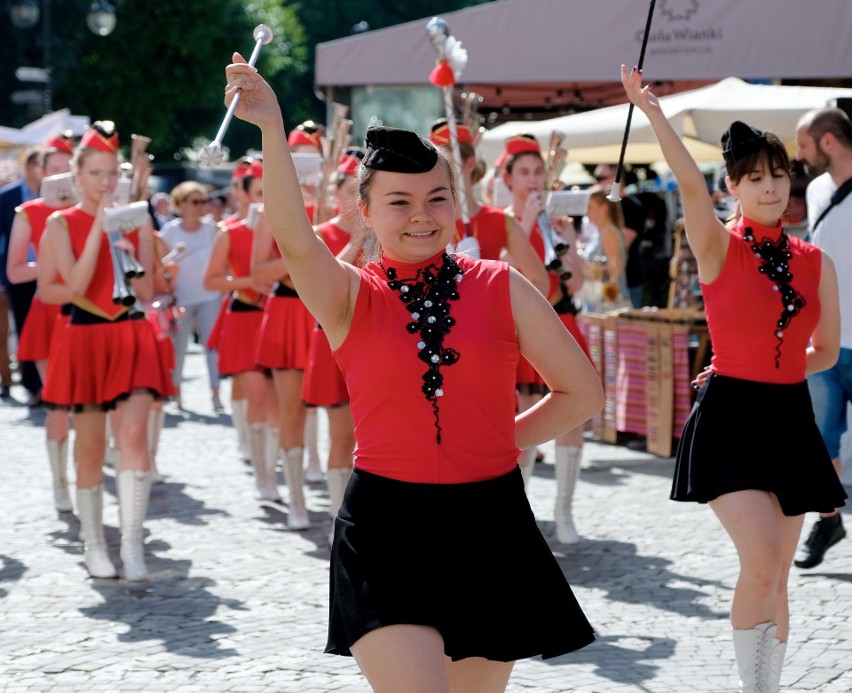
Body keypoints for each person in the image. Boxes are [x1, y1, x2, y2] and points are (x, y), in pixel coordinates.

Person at [225, 55, 603, 691]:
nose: (421, 215)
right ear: (364, 212)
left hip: (491, 524)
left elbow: (581, 392)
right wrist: (270, 129)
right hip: (385, 530)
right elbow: (293, 240)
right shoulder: (349, 296)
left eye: (436, 198)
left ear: (456, 202)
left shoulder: (501, 286)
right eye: (399, 202)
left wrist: (497, 440)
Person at [622, 66, 846, 693]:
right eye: (755, 178)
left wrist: (775, 366)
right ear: (735, 187)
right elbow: (690, 190)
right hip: (729, 418)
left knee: (779, 577)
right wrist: (653, 113)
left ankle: (767, 688)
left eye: (778, 174)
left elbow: (825, 351)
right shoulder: (720, 247)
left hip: (788, 418)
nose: (770, 187)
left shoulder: (815, 262)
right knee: (764, 559)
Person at [38, 121, 173, 581]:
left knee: (134, 437)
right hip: (85, 336)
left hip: (131, 332)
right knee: (90, 447)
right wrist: (101, 229)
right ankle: (94, 542)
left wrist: (133, 243)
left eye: (111, 173)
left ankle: (133, 545)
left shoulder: (134, 216)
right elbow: (69, 287)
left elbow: (147, 288)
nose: (105, 182)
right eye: (96, 173)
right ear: (78, 176)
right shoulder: (59, 223)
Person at [499, 133, 593, 545]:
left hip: (562, 319)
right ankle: (519, 513)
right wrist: (524, 226)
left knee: (571, 422)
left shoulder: (558, 224)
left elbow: (579, 280)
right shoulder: (501, 220)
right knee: (522, 421)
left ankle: (564, 511)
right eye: (524, 173)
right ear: (508, 178)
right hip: (520, 329)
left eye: (538, 171)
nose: (533, 180)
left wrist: (566, 243)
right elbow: (502, 271)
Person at [793, 106, 852, 569]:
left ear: (828, 141)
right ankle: (828, 519)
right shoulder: (814, 190)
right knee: (819, 440)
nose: (799, 155)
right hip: (824, 340)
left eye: (804, 145)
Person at [6, 134, 75, 511]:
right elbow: (14, 272)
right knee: (58, 403)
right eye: (54, 169)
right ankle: (60, 482)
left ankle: (92, 473)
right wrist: (49, 266)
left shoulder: (93, 208)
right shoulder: (29, 211)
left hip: (88, 307)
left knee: (98, 403)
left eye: (67, 167)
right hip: (49, 309)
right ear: (41, 172)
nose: (61, 174)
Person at [204, 200, 279, 502]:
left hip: (278, 315)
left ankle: (275, 468)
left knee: (279, 408)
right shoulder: (230, 231)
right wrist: (252, 281)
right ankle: (264, 477)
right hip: (247, 315)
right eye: (259, 190)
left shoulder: (293, 225)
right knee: (257, 398)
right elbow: (210, 280)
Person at [159, 180, 222, 412]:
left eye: (204, 201)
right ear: (181, 204)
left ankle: (216, 394)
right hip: (180, 297)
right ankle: (177, 394)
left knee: (212, 346)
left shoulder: (212, 228)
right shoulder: (170, 231)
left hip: (209, 296)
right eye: (196, 201)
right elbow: (163, 266)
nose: (201, 206)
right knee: (179, 348)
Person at [0, 144, 47, 405]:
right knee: (26, 330)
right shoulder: (8, 197)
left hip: (52, 274)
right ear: (31, 167)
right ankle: (33, 387)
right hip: (19, 276)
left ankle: (49, 383)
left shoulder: (57, 195)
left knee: (50, 329)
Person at [592, 162, 644, 307]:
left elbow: (622, 244)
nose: (595, 182)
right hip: (610, 284)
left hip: (627, 282)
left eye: (600, 177)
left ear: (616, 178)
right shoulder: (608, 207)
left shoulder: (632, 207)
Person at [581, 185, 631, 313]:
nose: (586, 211)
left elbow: (616, 270)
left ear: (604, 208)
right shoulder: (602, 232)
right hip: (601, 304)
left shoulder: (609, 233)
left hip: (608, 306)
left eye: (590, 207)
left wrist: (584, 266)